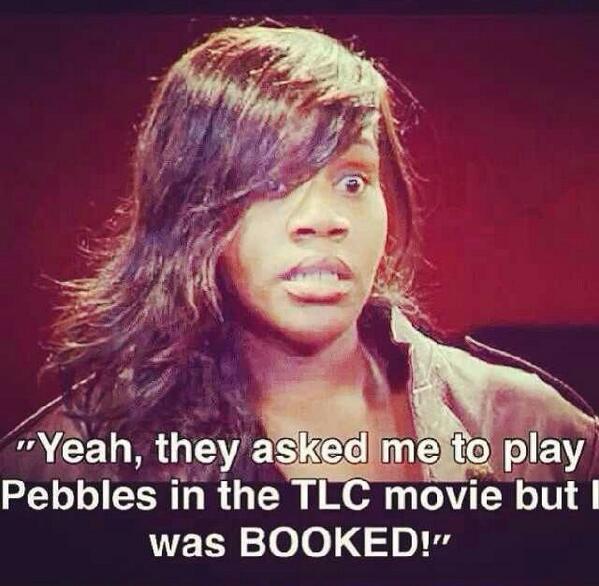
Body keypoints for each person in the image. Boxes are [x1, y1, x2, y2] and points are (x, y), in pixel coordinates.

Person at [0, 24, 597, 483]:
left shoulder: (534, 432)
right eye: (273, 183)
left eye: (352, 181)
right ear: (190, 210)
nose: (324, 220)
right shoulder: (70, 466)